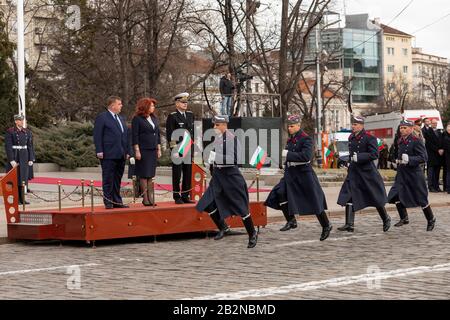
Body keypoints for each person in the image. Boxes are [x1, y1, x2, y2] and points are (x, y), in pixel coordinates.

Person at [264, 115, 332, 241]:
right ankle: (291, 220)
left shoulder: (306, 139)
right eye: (288, 126)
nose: (289, 128)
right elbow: (288, 157)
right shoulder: (291, 140)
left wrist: (288, 154)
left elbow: (306, 157)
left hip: (303, 173)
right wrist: (282, 161)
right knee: (279, 192)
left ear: (298, 126)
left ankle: (326, 225)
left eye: (292, 126)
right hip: (291, 173)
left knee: (314, 201)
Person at [195, 115, 258, 248]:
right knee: (207, 203)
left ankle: (252, 233)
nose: (214, 127)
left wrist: (215, 157)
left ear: (224, 125)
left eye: (217, 125)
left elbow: (234, 159)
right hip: (218, 177)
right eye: (214, 125)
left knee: (241, 207)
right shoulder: (218, 139)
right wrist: (210, 164)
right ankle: (223, 227)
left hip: (231, 177)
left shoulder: (232, 139)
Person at [337, 115, 391, 233]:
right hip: (354, 171)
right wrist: (345, 161)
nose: (353, 126)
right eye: (352, 124)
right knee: (349, 195)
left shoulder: (369, 138)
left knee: (374, 197)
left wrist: (360, 157)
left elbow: (374, 154)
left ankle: (386, 218)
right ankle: (349, 224)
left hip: (367, 172)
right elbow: (351, 155)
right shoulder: (351, 137)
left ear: (361, 125)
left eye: (355, 124)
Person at [388, 120, 436, 231]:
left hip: (414, 174)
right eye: (401, 128)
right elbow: (398, 155)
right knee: (395, 195)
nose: (402, 130)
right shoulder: (400, 141)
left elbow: (424, 157)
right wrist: (397, 161)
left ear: (411, 129)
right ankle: (404, 218)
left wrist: (410, 159)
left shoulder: (416, 141)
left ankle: (430, 218)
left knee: (421, 198)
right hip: (402, 173)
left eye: (405, 128)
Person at [93, 96, 130, 209]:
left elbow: (125, 136)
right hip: (108, 153)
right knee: (108, 178)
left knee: (117, 179)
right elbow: (97, 135)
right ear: (112, 105)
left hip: (121, 153)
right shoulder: (103, 117)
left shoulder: (121, 118)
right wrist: (99, 150)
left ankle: (117, 201)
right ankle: (108, 201)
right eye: (119, 104)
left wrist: (127, 151)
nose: (121, 106)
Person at [166, 92, 195, 204]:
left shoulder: (190, 115)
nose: (185, 104)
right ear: (177, 103)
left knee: (188, 173)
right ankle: (176, 196)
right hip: (178, 149)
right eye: (183, 102)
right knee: (177, 174)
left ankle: (185, 195)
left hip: (188, 148)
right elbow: (170, 134)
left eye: (186, 102)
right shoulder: (173, 116)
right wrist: (173, 150)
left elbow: (192, 132)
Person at [131, 97, 162, 206]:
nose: (153, 107)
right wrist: (137, 150)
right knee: (144, 174)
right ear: (145, 106)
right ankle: (145, 198)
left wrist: (159, 148)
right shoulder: (137, 119)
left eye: (153, 105)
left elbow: (157, 134)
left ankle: (150, 197)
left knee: (150, 174)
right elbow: (134, 136)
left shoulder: (154, 118)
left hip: (153, 149)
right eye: (151, 105)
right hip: (143, 150)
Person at [4, 114, 36, 205]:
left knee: (23, 178)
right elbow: (8, 147)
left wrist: (31, 158)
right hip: (15, 155)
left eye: (23, 120)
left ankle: (22, 199)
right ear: (16, 121)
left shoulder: (27, 132)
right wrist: (11, 160)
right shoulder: (10, 131)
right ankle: (16, 199)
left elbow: (30, 146)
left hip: (24, 156)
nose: (22, 122)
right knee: (15, 178)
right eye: (20, 120)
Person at [423, 119, 443, 192]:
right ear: (431, 123)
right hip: (431, 154)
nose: (435, 124)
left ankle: (436, 186)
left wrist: (441, 149)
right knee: (431, 172)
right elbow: (428, 144)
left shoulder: (439, 132)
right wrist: (437, 149)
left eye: (436, 123)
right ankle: (431, 187)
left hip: (439, 155)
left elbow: (441, 141)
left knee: (437, 171)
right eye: (433, 123)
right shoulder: (427, 132)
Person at [440, 123, 450, 194]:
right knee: (448, 173)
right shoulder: (446, 138)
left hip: (447, 158)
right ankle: (448, 188)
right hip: (448, 158)